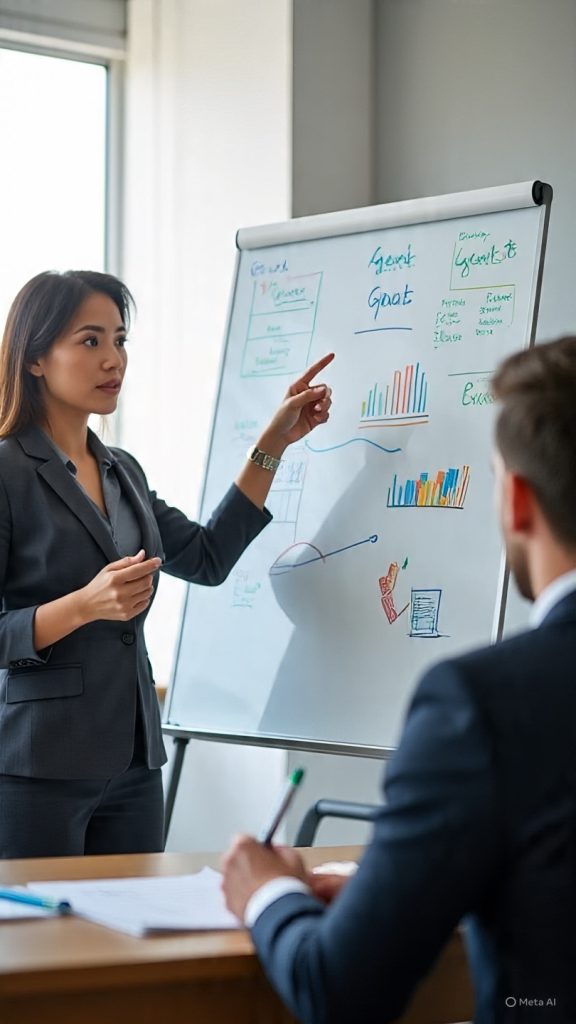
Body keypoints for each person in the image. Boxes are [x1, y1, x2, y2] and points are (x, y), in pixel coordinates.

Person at [222, 336, 576, 1024]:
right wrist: (393, 883)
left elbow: (339, 992)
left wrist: (266, 891)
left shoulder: (482, 703)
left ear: (518, 501)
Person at [0, 269, 333, 858]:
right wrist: (83, 606)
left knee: (137, 916)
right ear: (34, 359)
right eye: (90, 341)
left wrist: (273, 443)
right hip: (36, 768)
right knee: (42, 923)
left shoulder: (123, 470)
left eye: (120, 339)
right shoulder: (8, 472)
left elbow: (208, 557)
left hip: (134, 765)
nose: (114, 359)